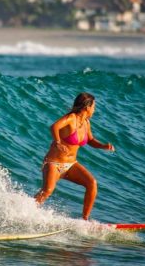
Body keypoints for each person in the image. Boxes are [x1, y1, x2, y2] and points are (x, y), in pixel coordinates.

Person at [34, 92, 115, 220]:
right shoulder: (72, 118)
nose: (94, 110)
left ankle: (85, 219)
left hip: (71, 165)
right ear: (87, 107)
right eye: (94, 107)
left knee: (92, 183)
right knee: (47, 191)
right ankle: (27, 211)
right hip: (53, 163)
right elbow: (54, 127)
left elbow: (90, 140)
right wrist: (58, 142)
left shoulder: (86, 123)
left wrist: (103, 146)